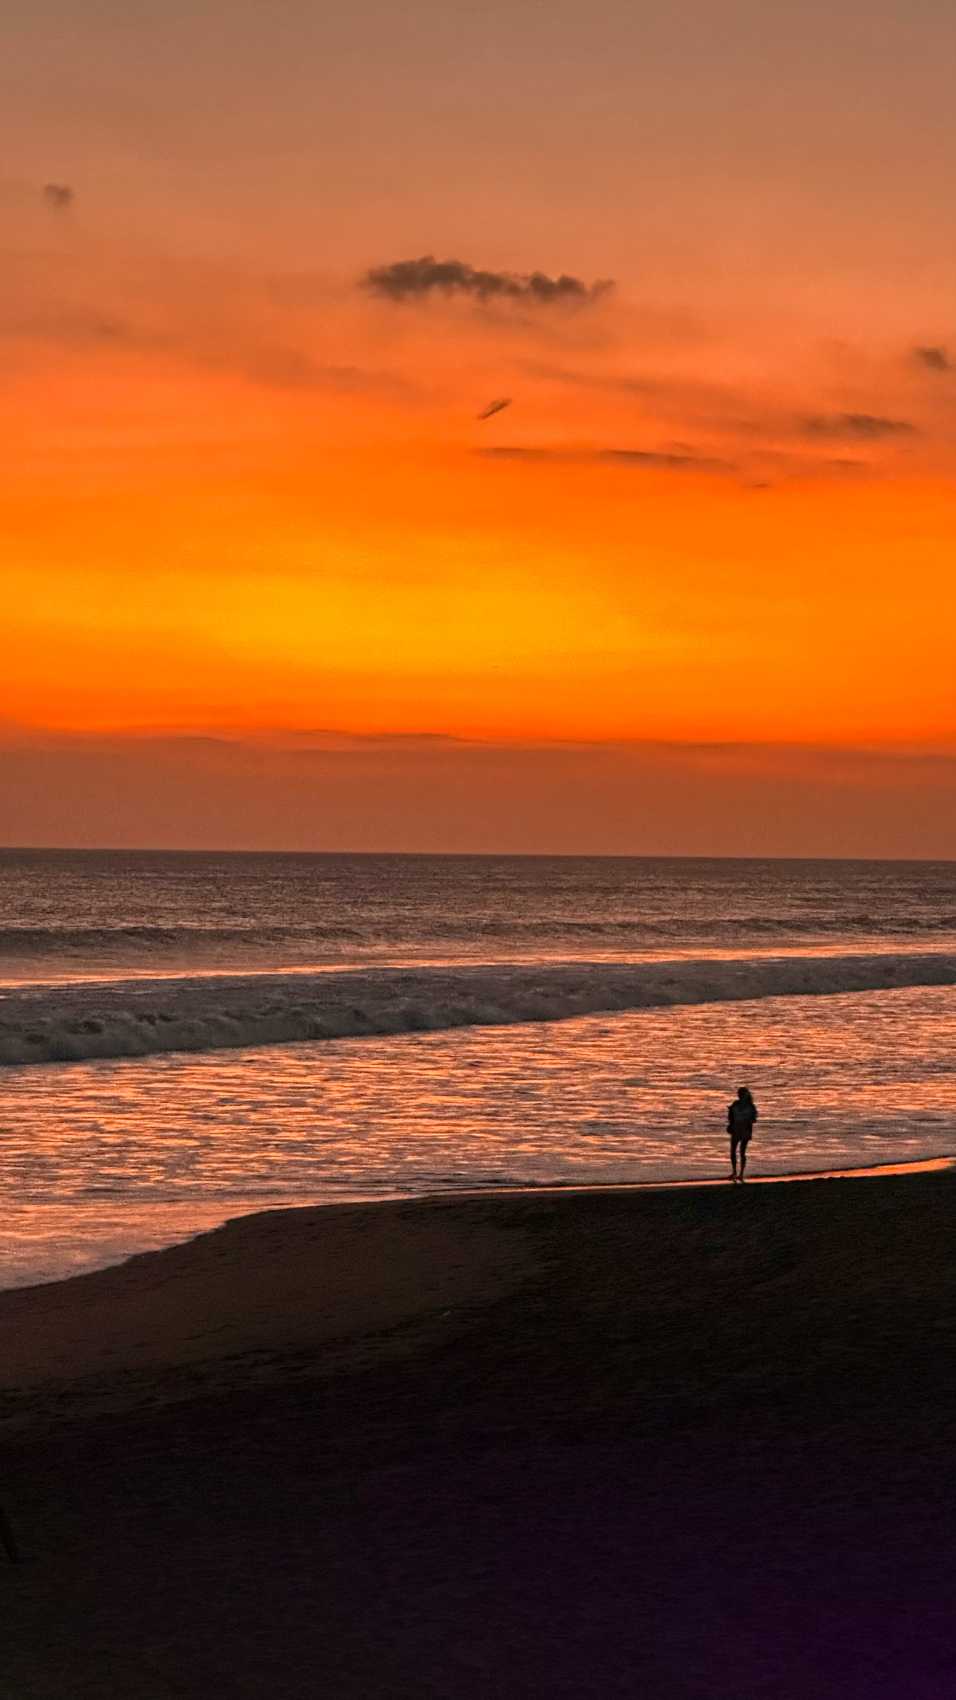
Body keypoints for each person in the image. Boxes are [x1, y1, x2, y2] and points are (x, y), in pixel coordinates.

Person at [728, 1086, 758, 1182]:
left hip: (744, 1128)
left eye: (742, 1093)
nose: (740, 1095)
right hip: (737, 1128)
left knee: (741, 1151)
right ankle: (735, 1172)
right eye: (740, 1093)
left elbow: (754, 1119)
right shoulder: (736, 1104)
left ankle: (740, 1173)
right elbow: (730, 1117)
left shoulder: (750, 1106)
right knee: (733, 1151)